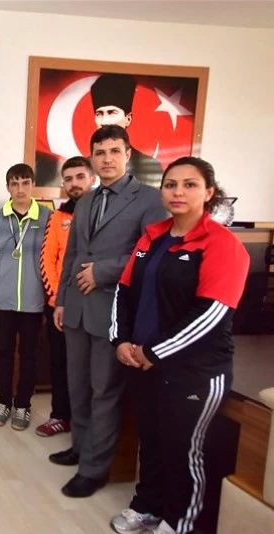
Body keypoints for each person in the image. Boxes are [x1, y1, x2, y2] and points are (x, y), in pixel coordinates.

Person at [108, 157, 249, 534]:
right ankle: (147, 507)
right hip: (144, 366)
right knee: (152, 442)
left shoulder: (222, 244)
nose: (178, 192)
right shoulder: (152, 237)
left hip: (194, 372)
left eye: (190, 184)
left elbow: (211, 313)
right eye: (171, 184)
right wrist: (121, 340)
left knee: (185, 451)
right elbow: (124, 291)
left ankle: (180, 523)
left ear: (209, 192)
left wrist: (154, 352)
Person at [50, 125, 169, 498]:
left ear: (128, 154)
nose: (107, 159)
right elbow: (73, 254)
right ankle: (80, 447)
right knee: (78, 385)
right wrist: (62, 300)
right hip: (76, 308)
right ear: (92, 158)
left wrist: (104, 272)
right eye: (100, 153)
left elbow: (150, 253)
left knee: (104, 390)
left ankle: (95, 469)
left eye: (114, 151)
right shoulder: (86, 200)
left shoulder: (148, 199)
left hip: (113, 310)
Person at [0, 164, 51, 431]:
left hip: (33, 301)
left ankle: (23, 404)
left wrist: (49, 298)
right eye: (14, 183)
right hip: (3, 301)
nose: (20, 189)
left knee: (29, 354)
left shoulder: (47, 217)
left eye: (25, 183)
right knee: (3, 353)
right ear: (8, 187)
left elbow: (52, 260)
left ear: (32, 185)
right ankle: (3, 401)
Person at [36, 156, 95, 437]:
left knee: (91, 368)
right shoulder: (58, 217)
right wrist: (58, 298)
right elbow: (47, 260)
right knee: (60, 363)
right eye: (69, 179)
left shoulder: (104, 213)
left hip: (94, 303)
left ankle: (87, 422)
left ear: (92, 179)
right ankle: (60, 416)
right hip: (60, 305)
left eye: (80, 177)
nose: (74, 184)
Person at [90, 73, 164, 187]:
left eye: (112, 113)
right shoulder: (84, 166)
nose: (104, 121)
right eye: (99, 114)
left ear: (128, 119)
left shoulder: (150, 166)